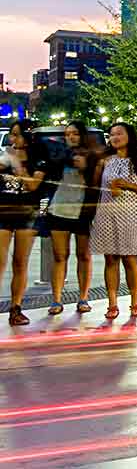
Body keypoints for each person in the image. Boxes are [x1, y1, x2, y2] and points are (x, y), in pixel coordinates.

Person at [90, 122, 137, 320]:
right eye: (111, 135)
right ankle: (112, 303)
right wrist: (97, 167)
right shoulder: (106, 160)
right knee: (110, 259)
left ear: (129, 136)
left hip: (131, 214)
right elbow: (95, 186)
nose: (114, 137)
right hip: (107, 213)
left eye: (119, 133)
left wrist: (127, 185)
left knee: (130, 259)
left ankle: (135, 302)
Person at [44, 123, 100, 316]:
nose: (71, 137)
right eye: (68, 134)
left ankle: (83, 298)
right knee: (60, 256)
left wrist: (87, 167)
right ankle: (56, 299)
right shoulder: (59, 156)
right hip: (59, 209)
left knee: (84, 255)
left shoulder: (93, 156)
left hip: (83, 211)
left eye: (75, 133)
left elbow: (98, 183)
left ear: (82, 135)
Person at [2, 122, 46, 326]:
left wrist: (17, 164)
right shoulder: (3, 158)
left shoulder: (39, 161)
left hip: (26, 214)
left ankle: (15, 308)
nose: (13, 139)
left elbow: (32, 185)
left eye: (17, 135)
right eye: (12, 135)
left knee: (20, 262)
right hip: (2, 213)